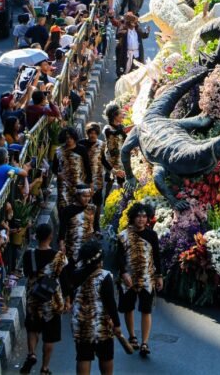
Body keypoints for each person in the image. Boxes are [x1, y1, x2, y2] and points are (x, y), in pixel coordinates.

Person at [70, 240, 122, 375]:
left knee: (83, 356)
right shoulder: (105, 276)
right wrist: (116, 324)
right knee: (106, 356)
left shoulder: (75, 275)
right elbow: (110, 303)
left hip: (81, 322)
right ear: (99, 259)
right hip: (101, 324)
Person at [20, 223, 67, 375]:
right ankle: (45, 368)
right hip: (52, 299)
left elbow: (26, 273)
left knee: (32, 328)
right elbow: (63, 277)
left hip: (34, 298)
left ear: (36, 236)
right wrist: (68, 299)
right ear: (50, 236)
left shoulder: (29, 254)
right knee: (50, 335)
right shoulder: (59, 256)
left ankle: (32, 353)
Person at [117, 203, 163, 357]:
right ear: (132, 217)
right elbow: (120, 258)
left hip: (147, 278)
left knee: (146, 310)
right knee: (129, 308)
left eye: (144, 216)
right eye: (138, 216)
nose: (141, 219)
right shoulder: (123, 236)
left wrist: (159, 276)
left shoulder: (152, 235)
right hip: (128, 279)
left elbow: (157, 257)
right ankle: (132, 336)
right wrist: (124, 273)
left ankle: (144, 342)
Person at [58, 184, 96, 263]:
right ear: (77, 196)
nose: (87, 199)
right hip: (72, 246)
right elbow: (62, 229)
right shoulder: (67, 210)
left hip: (86, 246)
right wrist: (61, 244)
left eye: (88, 196)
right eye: (84, 196)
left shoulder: (92, 208)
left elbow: (92, 225)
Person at [102, 103, 127, 197]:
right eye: (120, 113)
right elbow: (115, 132)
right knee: (109, 183)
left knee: (122, 182)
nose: (122, 115)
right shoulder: (107, 129)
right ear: (114, 116)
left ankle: (122, 202)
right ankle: (105, 203)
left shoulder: (120, 126)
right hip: (110, 161)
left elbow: (125, 138)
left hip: (120, 160)